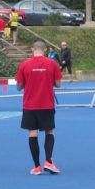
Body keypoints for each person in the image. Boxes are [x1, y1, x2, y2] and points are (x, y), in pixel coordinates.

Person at [15, 40, 62, 175]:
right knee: (49, 131)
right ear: (45, 50)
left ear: (32, 49)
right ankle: (48, 161)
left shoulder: (24, 65)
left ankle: (36, 166)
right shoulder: (52, 63)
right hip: (46, 103)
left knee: (32, 133)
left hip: (30, 105)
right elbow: (58, 84)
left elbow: (19, 87)